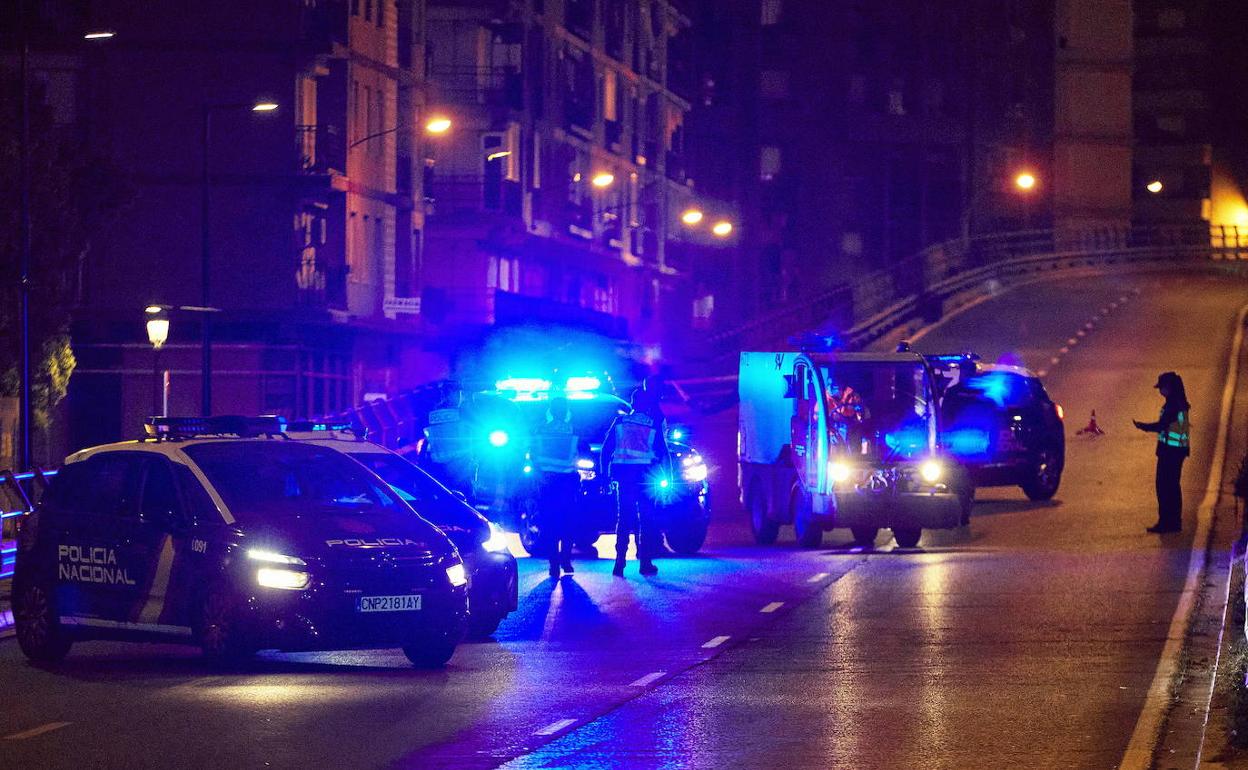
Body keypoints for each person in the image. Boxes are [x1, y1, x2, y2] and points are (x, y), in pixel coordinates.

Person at [601, 387, 670, 577]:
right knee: (647, 520)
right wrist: (669, 478)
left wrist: (605, 477)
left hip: (624, 479)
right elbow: (663, 454)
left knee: (623, 520)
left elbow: (606, 451)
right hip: (646, 479)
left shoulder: (620, 422)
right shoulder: (653, 424)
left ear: (632, 404)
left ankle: (619, 563)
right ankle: (645, 563)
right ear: (647, 405)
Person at [1133, 371, 1191, 533]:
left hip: (1171, 453)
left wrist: (1143, 426)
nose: (1160, 391)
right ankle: (1171, 521)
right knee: (1170, 486)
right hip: (1172, 451)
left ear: (1169, 388)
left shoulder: (1174, 405)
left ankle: (1168, 522)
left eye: (1162, 388)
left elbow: (1162, 425)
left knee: (1166, 487)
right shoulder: (1176, 402)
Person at [532, 396, 580, 579]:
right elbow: (581, 452)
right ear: (566, 410)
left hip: (547, 483)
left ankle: (553, 565)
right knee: (568, 523)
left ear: (551, 411)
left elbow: (533, 456)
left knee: (550, 523)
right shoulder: (573, 429)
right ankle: (566, 561)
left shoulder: (541, 430)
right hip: (567, 483)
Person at [422, 381, 476, 494]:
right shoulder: (462, 412)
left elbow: (426, 438)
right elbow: (478, 430)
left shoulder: (431, 414)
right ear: (452, 393)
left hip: (437, 464)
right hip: (460, 464)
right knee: (466, 501)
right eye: (459, 393)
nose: (461, 396)